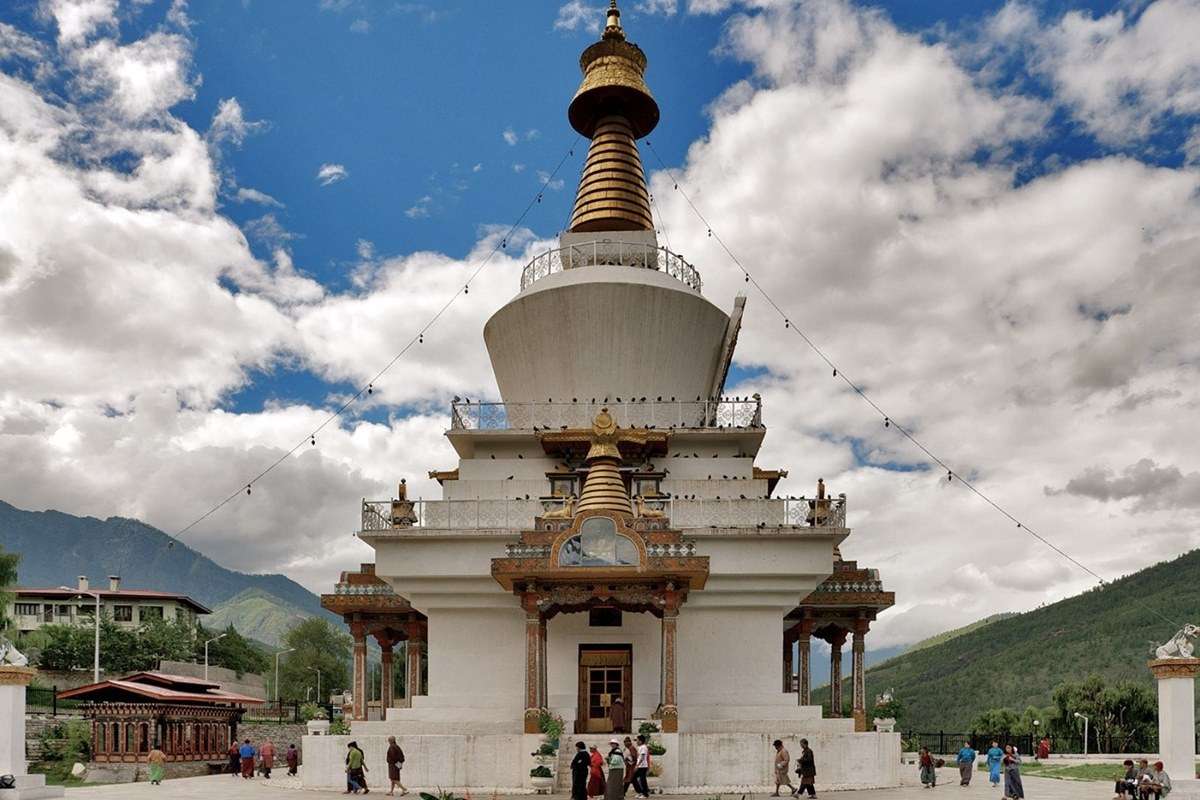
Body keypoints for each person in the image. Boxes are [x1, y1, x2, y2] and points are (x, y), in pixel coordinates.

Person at [632, 735, 651, 799]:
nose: (636, 742)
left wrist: (637, 766)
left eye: (637, 740)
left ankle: (645, 794)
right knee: (634, 778)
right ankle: (640, 792)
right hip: (640, 766)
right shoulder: (640, 747)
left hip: (642, 766)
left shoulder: (643, 747)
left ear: (640, 741)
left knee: (643, 780)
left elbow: (642, 757)